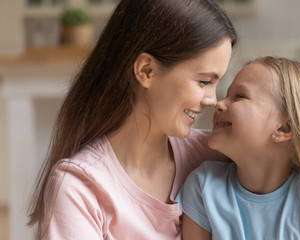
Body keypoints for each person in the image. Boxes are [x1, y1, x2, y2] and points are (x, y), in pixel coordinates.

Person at [26, 0, 237, 239]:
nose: (213, 100)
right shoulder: (80, 187)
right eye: (204, 81)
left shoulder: (216, 156)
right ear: (146, 71)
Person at [177, 56, 300, 240]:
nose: (218, 103)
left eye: (239, 96)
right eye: (227, 95)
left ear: (284, 128)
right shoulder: (203, 185)